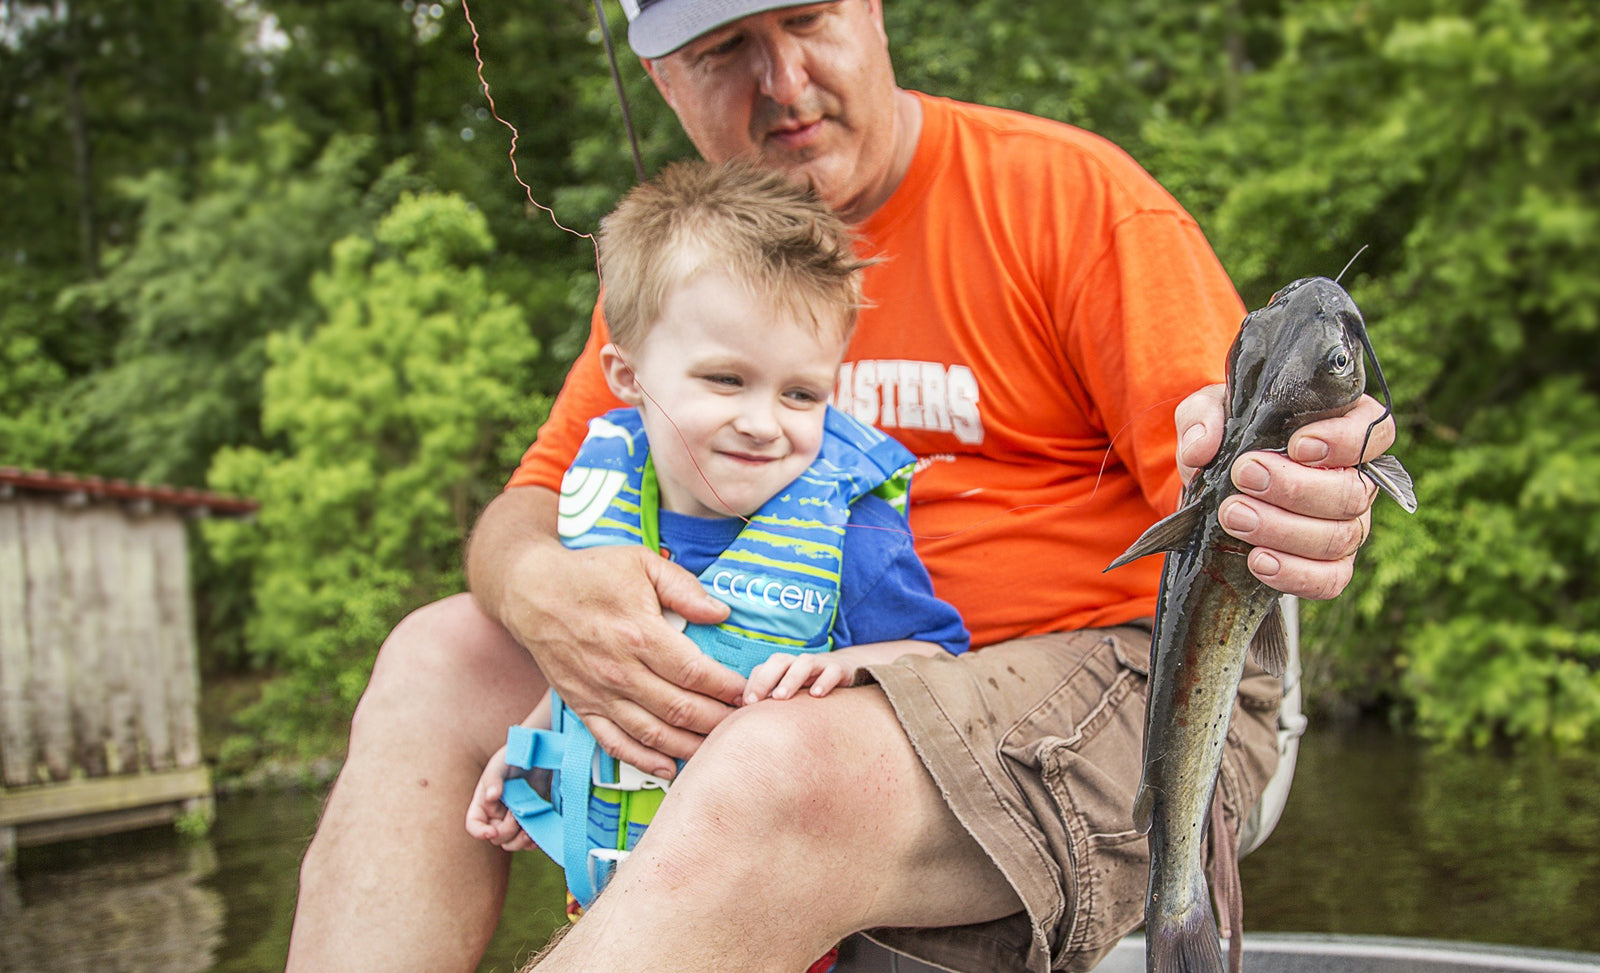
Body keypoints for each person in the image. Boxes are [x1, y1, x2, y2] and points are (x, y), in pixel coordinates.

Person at [284, 2, 1397, 972]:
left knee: (776, 764)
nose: (782, 82)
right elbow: (529, 504)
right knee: (436, 656)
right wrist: (540, 587)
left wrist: (1298, 492)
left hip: (1118, 675)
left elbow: (1238, 466)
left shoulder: (1070, 198)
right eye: (722, 48)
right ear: (660, 79)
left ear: (870, 10)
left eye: (804, 19)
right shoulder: (696, 270)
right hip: (773, 658)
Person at [462, 160, 969, 889]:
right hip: (618, 882)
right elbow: (589, 667)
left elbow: (941, 657)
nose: (763, 422)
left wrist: (853, 666)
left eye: (800, 393)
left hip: (763, 909)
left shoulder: (850, 534)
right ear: (628, 375)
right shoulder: (604, 494)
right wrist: (535, 739)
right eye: (726, 379)